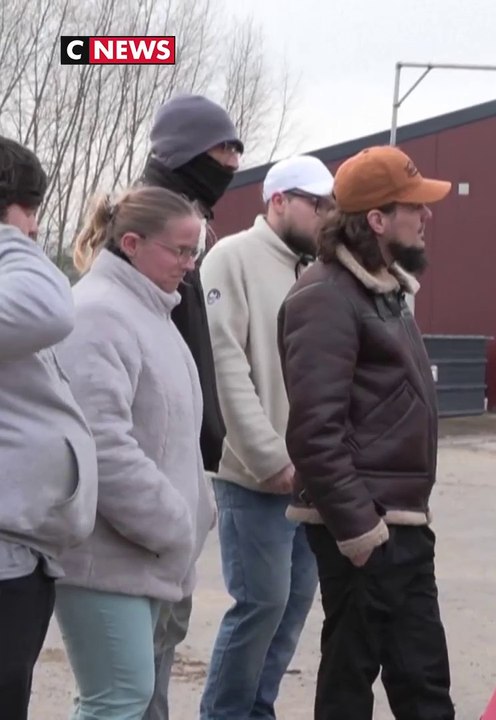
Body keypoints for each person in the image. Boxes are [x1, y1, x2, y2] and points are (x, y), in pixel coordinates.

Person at [278, 145, 455, 720]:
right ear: (376, 219)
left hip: (402, 524)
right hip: (366, 530)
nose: (426, 216)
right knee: (350, 688)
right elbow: (314, 432)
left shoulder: (384, 292)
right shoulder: (325, 297)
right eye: (414, 206)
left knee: (424, 685)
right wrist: (362, 533)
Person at [52, 185, 217, 719]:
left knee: (120, 700)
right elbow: (100, 443)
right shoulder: (98, 315)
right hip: (105, 559)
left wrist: (197, 510)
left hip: (146, 555)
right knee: (117, 699)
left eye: (195, 251)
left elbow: (173, 437)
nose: (190, 265)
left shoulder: (151, 313)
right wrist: (173, 521)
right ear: (131, 243)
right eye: (180, 251)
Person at [198, 155, 334, 719]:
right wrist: (269, 458)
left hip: (310, 479)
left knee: (293, 607)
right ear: (278, 200)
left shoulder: (316, 271)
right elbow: (225, 365)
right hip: (256, 479)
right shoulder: (231, 259)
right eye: (316, 203)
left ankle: (259, 709)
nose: (326, 215)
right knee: (261, 605)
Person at [135, 92, 243, 720]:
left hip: (180, 465)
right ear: (184, 152)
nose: (232, 164)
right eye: (222, 150)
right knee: (135, 669)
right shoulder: (154, 223)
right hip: (152, 471)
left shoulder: (187, 220)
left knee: (162, 639)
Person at [0, 137, 99, 720]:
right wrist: (8, 236)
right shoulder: (22, 276)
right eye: (29, 210)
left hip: (21, 554)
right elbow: (50, 306)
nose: (35, 228)